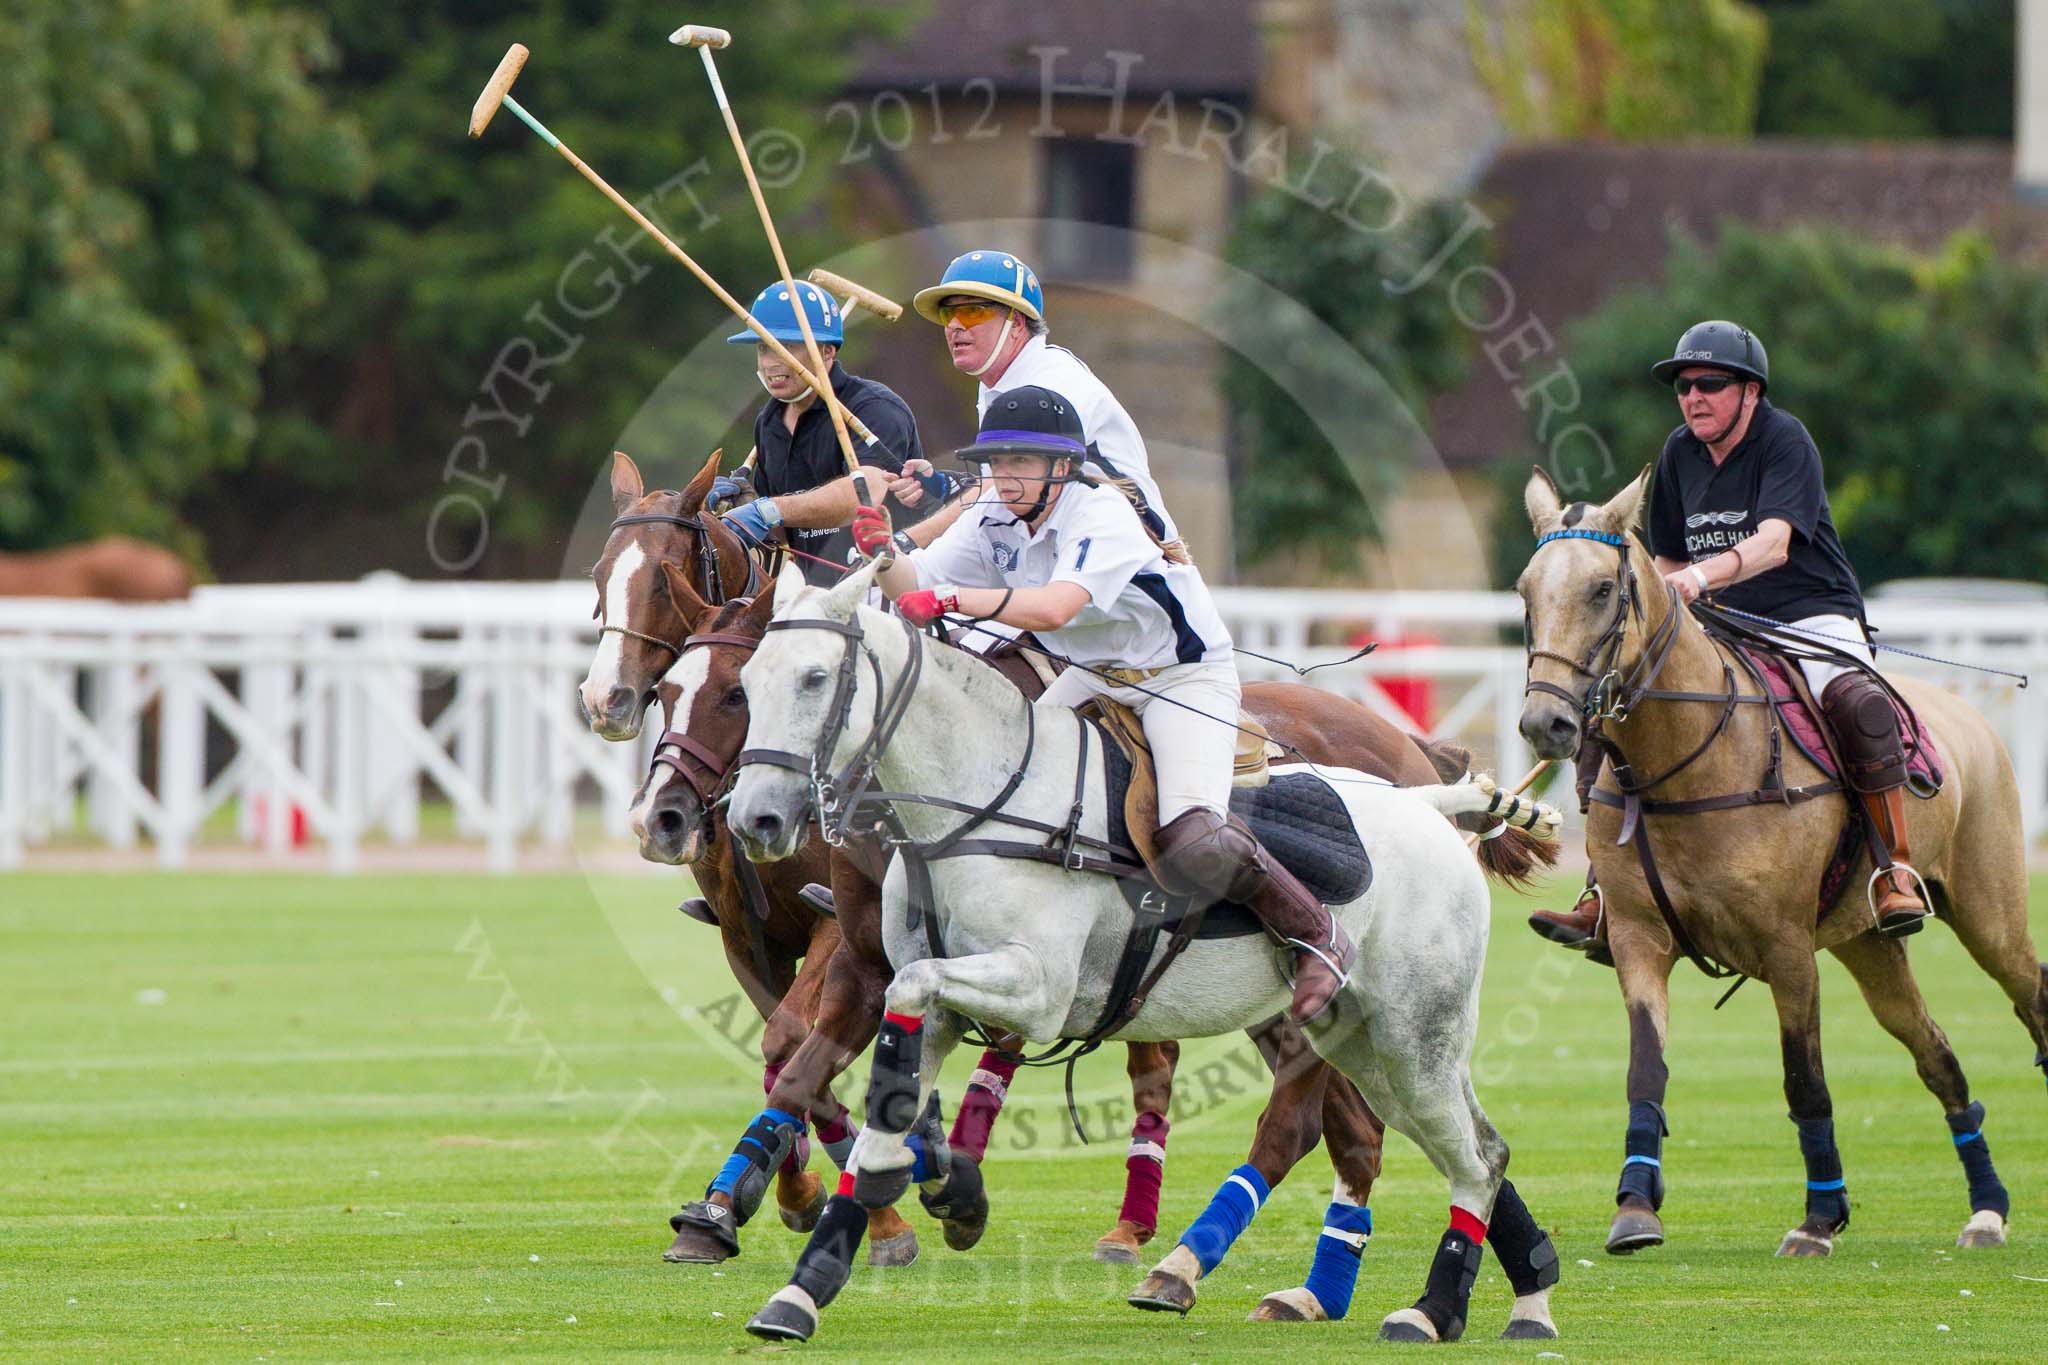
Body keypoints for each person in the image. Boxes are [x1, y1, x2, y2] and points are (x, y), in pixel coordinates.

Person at [851, 385, 1352, 1025]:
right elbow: (913, 587)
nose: (1005, 478)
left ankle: (1316, 933)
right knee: (997, 783)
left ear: (1062, 467)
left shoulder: (1101, 514)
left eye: (1022, 463)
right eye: (997, 464)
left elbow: (1056, 606)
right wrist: (886, 553)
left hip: (1178, 678)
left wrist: (952, 601)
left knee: (1193, 835)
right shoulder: (991, 518)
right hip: (1092, 673)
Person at [1530, 320, 1927, 952]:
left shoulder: (1783, 439)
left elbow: (1775, 543)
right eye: (1684, 386)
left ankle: (1892, 868)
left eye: (1710, 383)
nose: (1694, 397)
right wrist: (1663, 598)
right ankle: (1604, 890)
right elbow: (1661, 564)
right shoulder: (1680, 452)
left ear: (1750, 391)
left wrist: (1697, 578)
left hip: (1808, 614)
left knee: (1860, 704)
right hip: (1716, 623)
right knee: (1613, 711)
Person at [888, 250, 1183, 558]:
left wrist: (909, 541)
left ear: (1016, 323)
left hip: (1133, 562)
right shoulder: (995, 384)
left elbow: (1004, 487)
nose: (955, 326)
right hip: (1061, 556)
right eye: (949, 314)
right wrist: (944, 485)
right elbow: (1010, 488)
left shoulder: (1053, 381)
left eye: (973, 311)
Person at [712, 280, 944, 585]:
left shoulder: (873, 408)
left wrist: (768, 509)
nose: (771, 363)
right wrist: (746, 507)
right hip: (816, 602)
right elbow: (786, 530)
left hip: (892, 589)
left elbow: (867, 493)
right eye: (764, 348)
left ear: (827, 352)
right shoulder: (769, 421)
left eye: (788, 347)